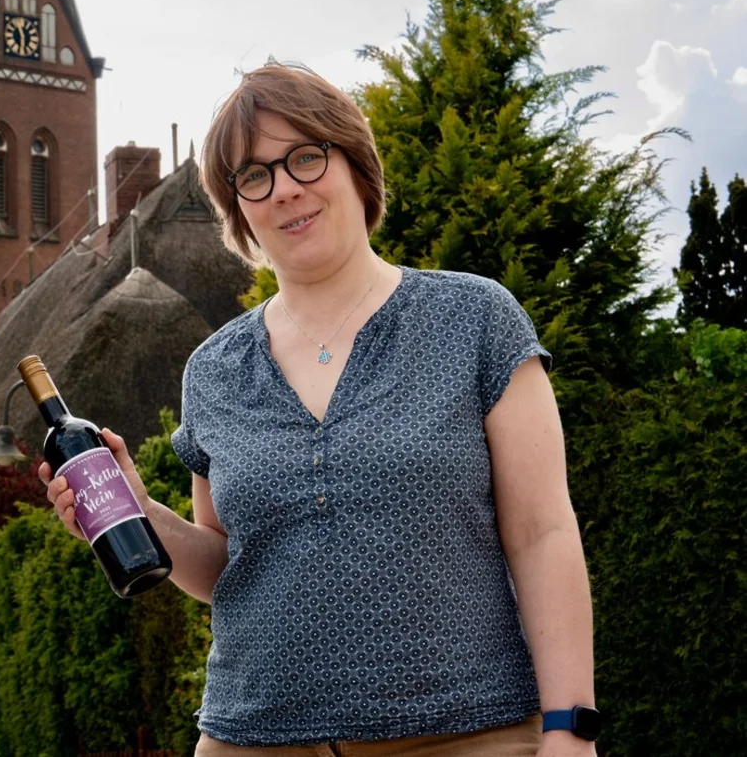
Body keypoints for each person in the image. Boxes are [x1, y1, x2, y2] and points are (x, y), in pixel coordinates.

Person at [41, 63, 598, 756]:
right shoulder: (214, 370)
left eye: (306, 156)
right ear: (237, 207)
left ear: (355, 163)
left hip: (464, 735)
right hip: (252, 740)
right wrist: (138, 510)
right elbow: (225, 570)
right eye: (255, 175)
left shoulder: (475, 318)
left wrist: (570, 729)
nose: (285, 189)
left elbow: (543, 534)